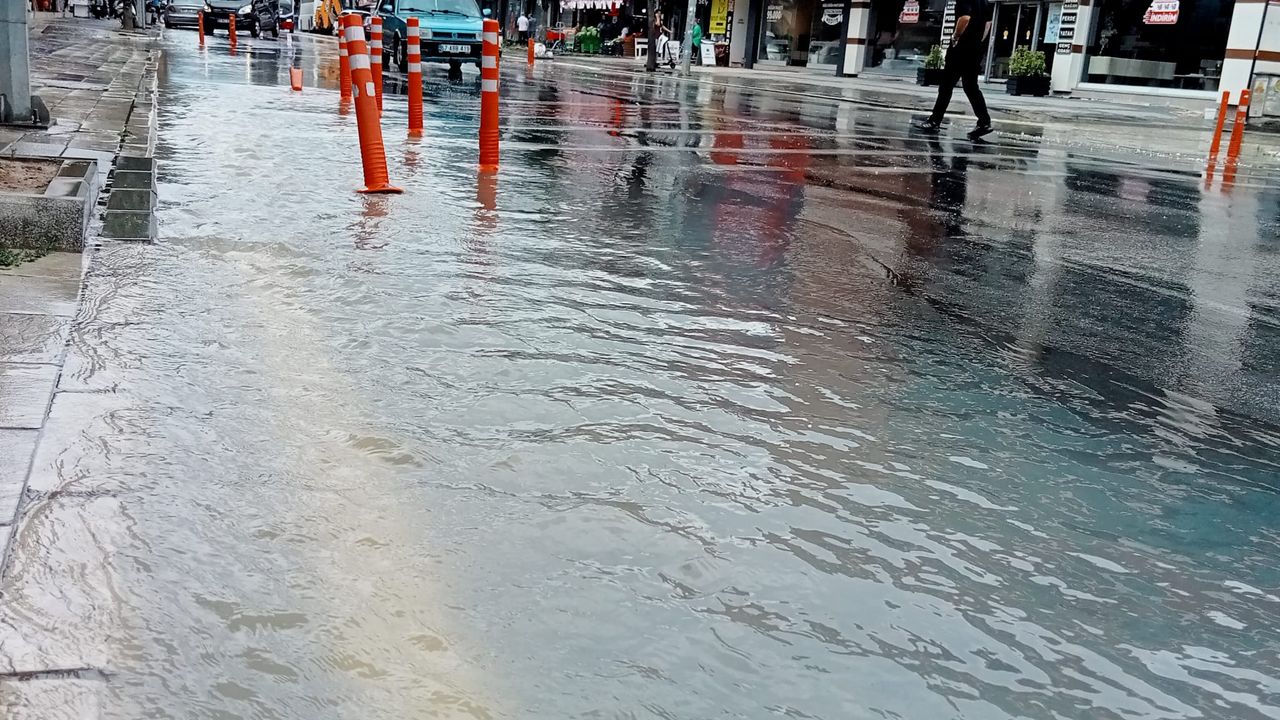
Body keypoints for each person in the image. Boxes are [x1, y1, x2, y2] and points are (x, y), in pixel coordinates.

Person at [913, 0, 993, 139]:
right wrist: (979, 42)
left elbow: (965, 18)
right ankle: (984, 122)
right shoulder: (984, 2)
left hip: (960, 50)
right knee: (971, 87)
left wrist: (956, 37)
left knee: (946, 85)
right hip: (975, 50)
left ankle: (934, 121)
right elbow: (988, 24)